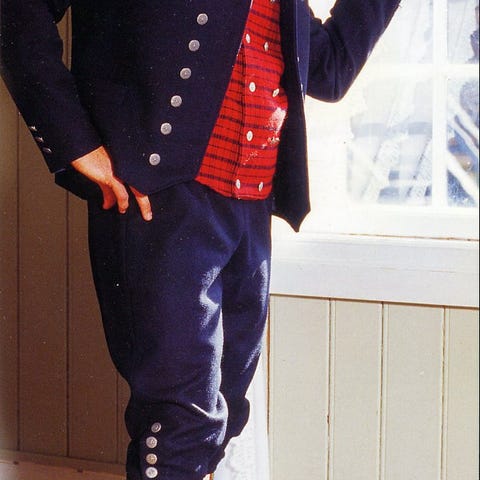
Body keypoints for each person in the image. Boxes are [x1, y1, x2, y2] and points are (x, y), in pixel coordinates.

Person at [0, 0, 400, 478]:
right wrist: (74, 142)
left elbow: (328, 69)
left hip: (253, 206)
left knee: (221, 418)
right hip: (165, 200)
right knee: (182, 426)